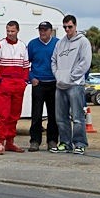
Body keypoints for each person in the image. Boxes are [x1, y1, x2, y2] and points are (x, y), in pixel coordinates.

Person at [51, 14, 92, 155]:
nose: (67, 29)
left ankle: (80, 144)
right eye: (65, 27)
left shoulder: (83, 42)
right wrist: (58, 75)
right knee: (61, 117)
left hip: (75, 85)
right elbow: (53, 60)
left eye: (70, 27)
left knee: (78, 117)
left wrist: (72, 76)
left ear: (75, 26)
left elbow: (85, 62)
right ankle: (65, 143)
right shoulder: (60, 43)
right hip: (60, 85)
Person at [0, 20, 30, 155]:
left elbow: (26, 67)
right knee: (3, 115)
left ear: (18, 30)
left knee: (15, 115)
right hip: (5, 84)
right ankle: (0, 142)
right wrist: (0, 81)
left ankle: (10, 142)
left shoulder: (23, 46)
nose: (10, 33)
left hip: (18, 84)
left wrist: (24, 82)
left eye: (12, 31)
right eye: (8, 31)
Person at [27, 21, 59, 151]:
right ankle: (35, 141)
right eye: (40, 30)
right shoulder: (32, 44)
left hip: (53, 82)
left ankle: (52, 140)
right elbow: (25, 63)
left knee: (53, 114)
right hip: (38, 83)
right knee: (36, 114)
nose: (42, 32)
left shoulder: (58, 43)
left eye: (45, 30)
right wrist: (31, 78)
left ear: (51, 31)